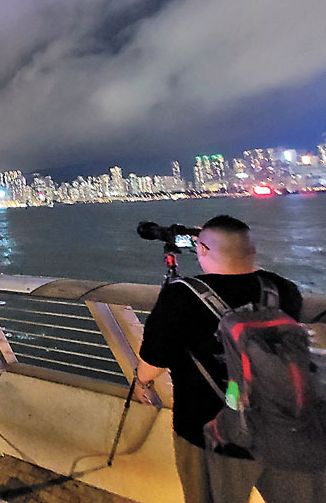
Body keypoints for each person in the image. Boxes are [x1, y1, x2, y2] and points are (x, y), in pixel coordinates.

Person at [136, 215, 323, 503]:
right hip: (288, 430)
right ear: (253, 251)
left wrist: (142, 383)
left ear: (201, 250)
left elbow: (153, 361)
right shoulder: (284, 289)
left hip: (214, 434)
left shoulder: (180, 296)